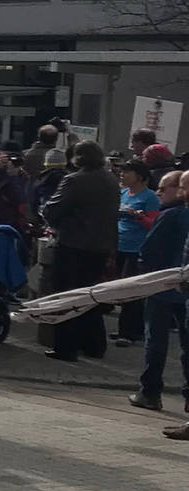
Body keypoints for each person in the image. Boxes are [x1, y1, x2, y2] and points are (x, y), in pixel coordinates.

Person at [42, 141, 118, 362]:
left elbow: (53, 209)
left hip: (74, 244)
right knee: (91, 294)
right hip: (101, 245)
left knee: (66, 295)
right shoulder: (111, 180)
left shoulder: (74, 180)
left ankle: (65, 347)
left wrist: (47, 212)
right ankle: (94, 345)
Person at [134, 170, 189, 412]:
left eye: (163, 188)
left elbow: (149, 249)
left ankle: (150, 392)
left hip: (163, 285)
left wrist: (145, 277)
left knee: (156, 340)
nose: (158, 193)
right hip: (183, 289)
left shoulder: (171, 215)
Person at [115, 160, 160, 346]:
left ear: (139, 176)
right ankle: (128, 329)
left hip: (137, 247)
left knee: (130, 290)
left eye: (127, 172)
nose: (122, 175)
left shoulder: (150, 197)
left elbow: (154, 224)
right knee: (117, 287)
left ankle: (128, 332)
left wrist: (138, 216)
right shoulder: (123, 193)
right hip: (119, 244)